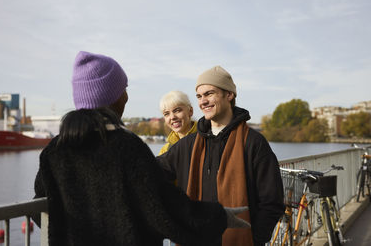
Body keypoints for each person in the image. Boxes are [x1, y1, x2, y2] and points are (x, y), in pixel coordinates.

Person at [33, 52, 250, 246]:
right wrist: (219, 217)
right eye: (123, 89)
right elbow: (164, 208)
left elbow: (39, 206)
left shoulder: (54, 151)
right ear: (115, 98)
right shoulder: (126, 147)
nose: (126, 96)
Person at [157, 65, 285, 246]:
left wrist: (255, 239)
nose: (203, 102)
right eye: (199, 96)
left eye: (209, 94)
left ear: (229, 95)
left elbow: (272, 201)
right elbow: (151, 172)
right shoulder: (188, 145)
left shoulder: (253, 143)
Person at [159, 90, 197, 155]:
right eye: (166, 114)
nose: (172, 117)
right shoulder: (165, 150)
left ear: (190, 111)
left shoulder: (207, 140)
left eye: (177, 110)